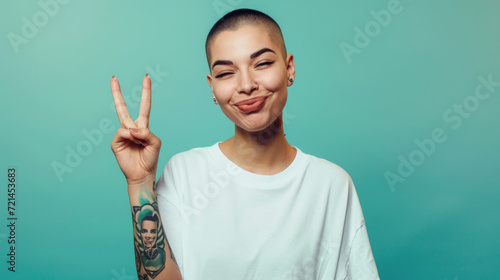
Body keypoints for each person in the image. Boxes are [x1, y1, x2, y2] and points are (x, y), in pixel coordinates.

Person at [110, 8, 379, 280]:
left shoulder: (332, 185)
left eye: (262, 64)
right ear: (212, 87)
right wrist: (140, 182)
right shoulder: (184, 173)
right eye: (226, 72)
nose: (247, 85)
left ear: (289, 68)